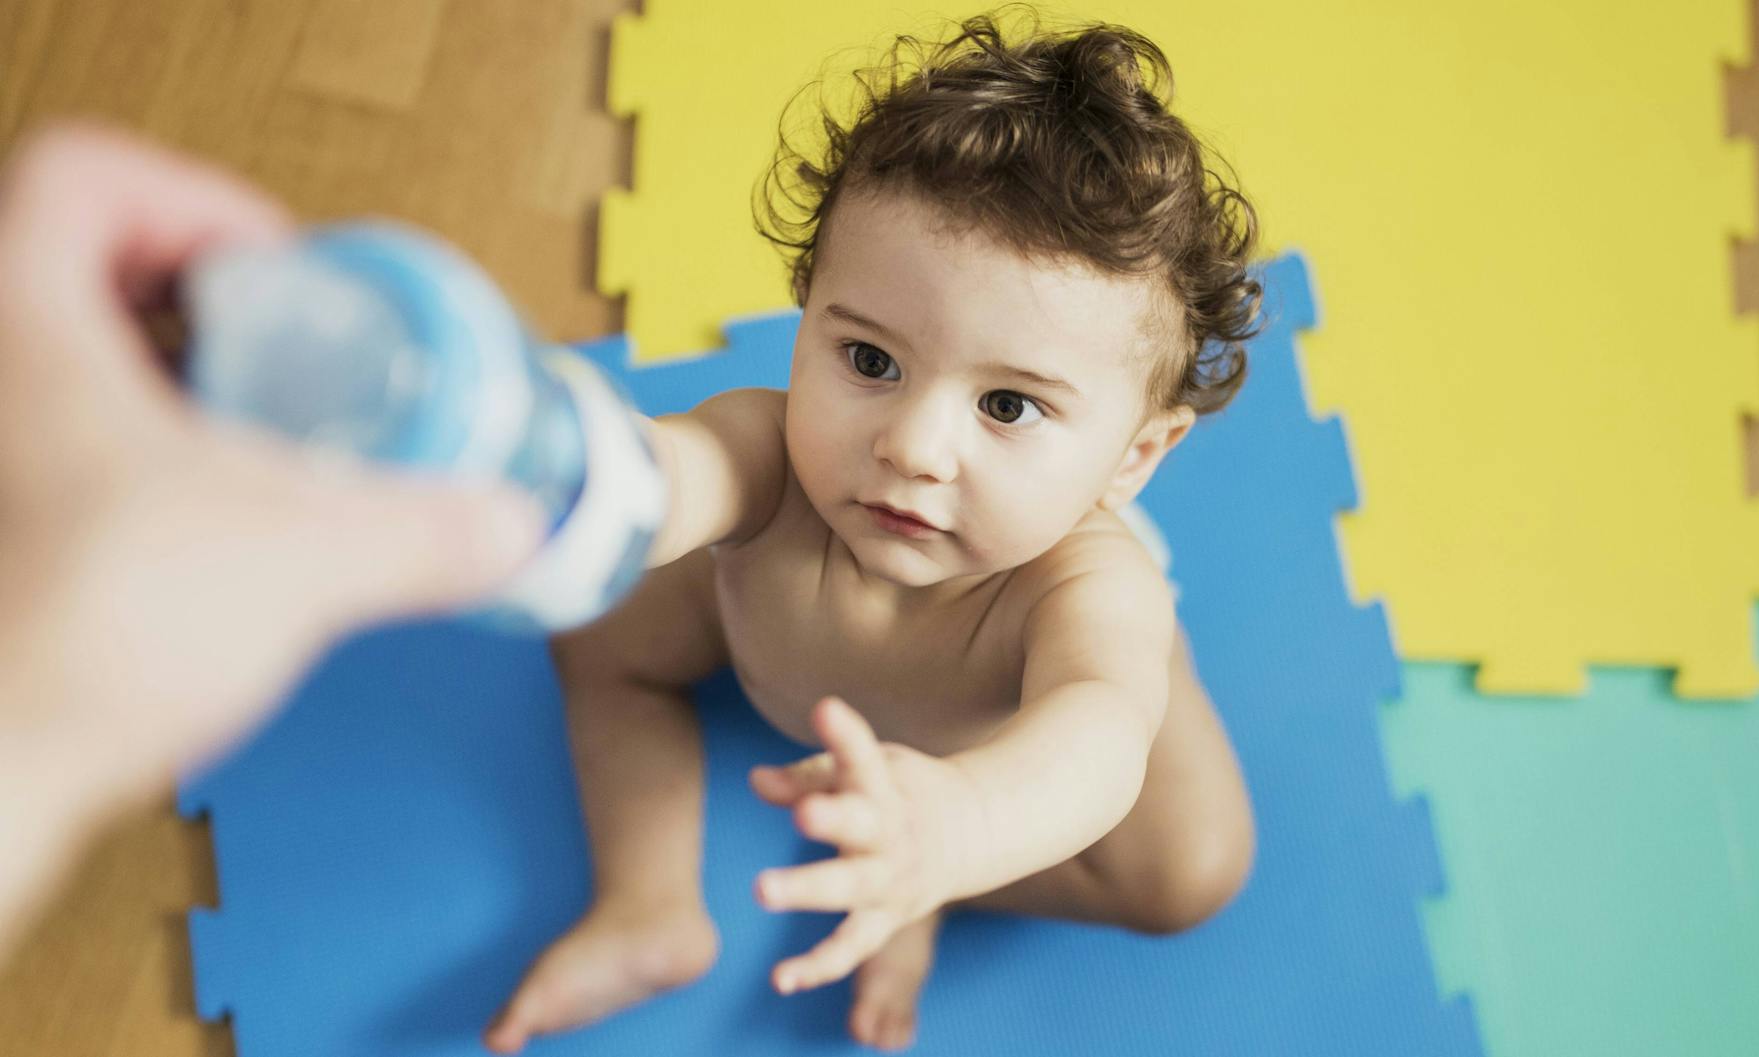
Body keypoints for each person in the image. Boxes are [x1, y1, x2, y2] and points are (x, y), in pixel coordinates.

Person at [485, 12, 1260, 1054]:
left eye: (1007, 407)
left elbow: (1098, 735)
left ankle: (922, 876)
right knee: (594, 621)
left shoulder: (1085, 589)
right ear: (809, 314)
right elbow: (681, 472)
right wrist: (583, 477)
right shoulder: (776, 454)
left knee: (1190, 870)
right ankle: (647, 905)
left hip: (985, 776)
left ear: (1131, 456)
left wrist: (961, 831)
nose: (912, 447)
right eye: (870, 361)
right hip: (834, 709)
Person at [0, 124, 545, 957]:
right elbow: (716, 473)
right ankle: (649, 899)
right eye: (830, 346)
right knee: (626, 668)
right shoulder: (768, 442)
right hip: (671, 637)